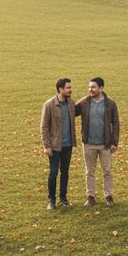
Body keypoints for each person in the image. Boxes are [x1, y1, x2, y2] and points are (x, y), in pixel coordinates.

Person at [78, 77, 120, 206]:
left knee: (107, 171)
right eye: (89, 87)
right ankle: (90, 196)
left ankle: (108, 195)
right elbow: (71, 111)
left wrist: (114, 142)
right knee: (89, 171)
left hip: (105, 144)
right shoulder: (84, 102)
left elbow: (116, 124)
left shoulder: (111, 103)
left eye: (93, 87)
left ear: (101, 88)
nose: (90, 89)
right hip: (89, 143)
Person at [41, 77, 78, 210]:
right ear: (60, 89)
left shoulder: (71, 103)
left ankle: (63, 198)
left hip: (68, 145)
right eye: (68, 88)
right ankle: (51, 200)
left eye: (70, 87)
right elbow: (44, 127)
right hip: (54, 146)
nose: (70, 90)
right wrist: (47, 146)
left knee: (65, 172)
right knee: (53, 172)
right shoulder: (49, 105)